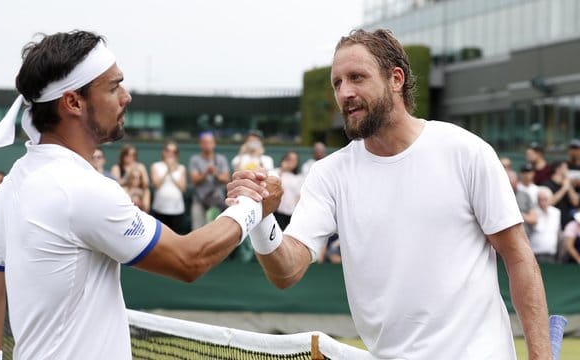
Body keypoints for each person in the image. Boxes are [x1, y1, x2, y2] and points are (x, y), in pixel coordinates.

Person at [226, 29, 550, 359]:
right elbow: (287, 272)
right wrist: (262, 220)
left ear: (396, 79)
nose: (345, 92)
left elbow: (519, 257)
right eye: (337, 83)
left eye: (357, 78)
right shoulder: (328, 175)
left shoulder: (467, 152)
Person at [0, 30, 280, 360]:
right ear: (73, 102)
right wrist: (252, 205)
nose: (126, 96)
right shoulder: (82, 189)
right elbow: (190, 259)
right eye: (114, 87)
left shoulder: (14, 182)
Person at [189, 131, 230, 230]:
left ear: (214, 144)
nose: (207, 145)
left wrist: (215, 173)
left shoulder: (221, 159)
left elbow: (226, 179)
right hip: (199, 201)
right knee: (197, 231)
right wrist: (206, 172)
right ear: (201, 144)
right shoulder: (195, 159)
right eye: (205, 142)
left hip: (216, 202)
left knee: (214, 232)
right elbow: (194, 180)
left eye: (210, 142)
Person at [151, 141, 187, 233]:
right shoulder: (156, 166)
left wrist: (171, 171)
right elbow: (157, 185)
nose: (170, 154)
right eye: (168, 150)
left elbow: (183, 188)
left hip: (177, 210)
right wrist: (167, 169)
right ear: (164, 152)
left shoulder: (181, 168)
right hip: (160, 209)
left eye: (174, 151)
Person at [542, 160, 579, 229]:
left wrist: (569, 186)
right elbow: (550, 202)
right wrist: (564, 188)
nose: (567, 171)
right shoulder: (547, 184)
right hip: (551, 224)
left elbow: (576, 202)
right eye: (565, 168)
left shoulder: (567, 184)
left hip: (567, 223)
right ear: (558, 169)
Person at [529, 186, 561, 263]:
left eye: (545, 199)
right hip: (535, 254)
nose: (542, 202)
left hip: (551, 254)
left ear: (550, 199)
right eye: (540, 200)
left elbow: (557, 232)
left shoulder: (556, 212)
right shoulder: (533, 212)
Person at [274, 151, 303, 230]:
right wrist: (283, 169)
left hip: (292, 215)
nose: (292, 162)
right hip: (278, 213)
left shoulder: (298, 178)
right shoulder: (276, 172)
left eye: (294, 160)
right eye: (289, 159)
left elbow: (299, 197)